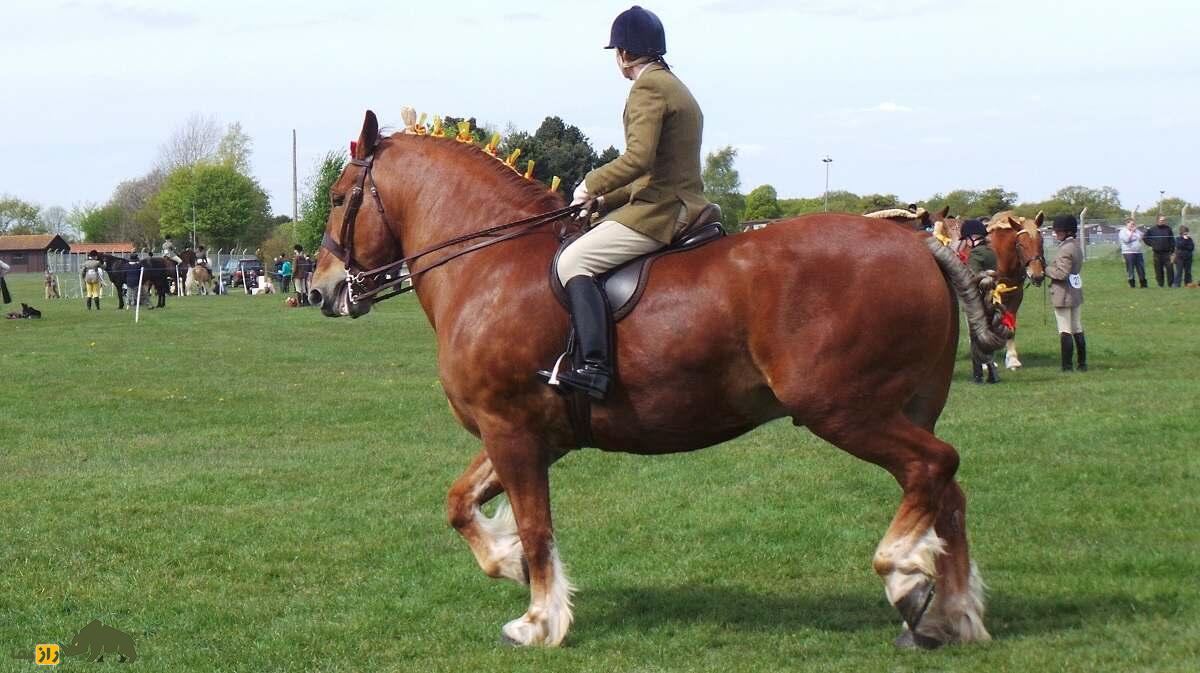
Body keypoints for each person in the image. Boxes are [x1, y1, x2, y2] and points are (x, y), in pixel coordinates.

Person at [536, 5, 710, 400]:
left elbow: (638, 159)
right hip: (677, 199)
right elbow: (656, 169)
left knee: (572, 261)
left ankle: (594, 368)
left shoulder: (647, 88)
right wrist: (604, 200)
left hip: (663, 210)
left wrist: (589, 184)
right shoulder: (674, 85)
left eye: (617, 52)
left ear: (625, 54)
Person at [1046, 214, 1086, 372]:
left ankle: (1067, 366)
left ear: (1067, 232)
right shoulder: (1075, 246)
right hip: (1075, 292)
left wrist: (1044, 269)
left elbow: (1061, 274)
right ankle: (1082, 364)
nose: (1056, 234)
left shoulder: (1065, 249)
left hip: (1063, 293)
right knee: (1077, 328)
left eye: (1058, 231)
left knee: (1065, 329)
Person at [962, 219, 1000, 384]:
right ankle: (993, 373)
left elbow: (973, 277)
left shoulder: (976, 254)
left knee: (976, 337)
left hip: (977, 299)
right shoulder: (990, 252)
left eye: (966, 239)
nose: (966, 243)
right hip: (992, 297)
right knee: (987, 335)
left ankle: (978, 375)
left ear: (972, 237)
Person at [1143, 216, 1175, 287]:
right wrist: (1152, 244)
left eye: (1163, 220)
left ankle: (1171, 284)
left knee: (1170, 269)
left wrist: (1172, 252)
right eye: (1161, 220)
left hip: (1167, 253)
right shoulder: (1152, 229)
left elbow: (1172, 240)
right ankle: (1160, 284)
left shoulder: (1168, 229)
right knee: (1158, 270)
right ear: (1157, 220)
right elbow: (1145, 237)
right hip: (1157, 253)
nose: (1162, 221)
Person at [1118, 217, 1148, 288]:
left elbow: (1142, 236)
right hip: (1128, 253)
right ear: (1127, 224)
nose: (1133, 225)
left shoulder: (1136, 231)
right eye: (1131, 224)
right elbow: (1126, 240)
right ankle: (1132, 284)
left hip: (1138, 252)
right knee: (1130, 269)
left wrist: (1138, 232)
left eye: (1134, 224)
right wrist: (1132, 232)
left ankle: (1143, 283)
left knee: (1141, 268)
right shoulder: (1123, 231)